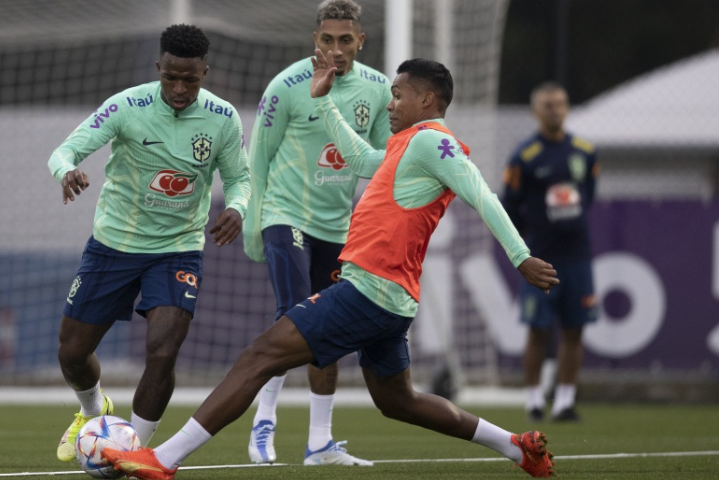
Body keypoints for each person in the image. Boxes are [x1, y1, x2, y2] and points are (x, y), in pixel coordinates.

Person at [102, 50, 559, 479]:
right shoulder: (406, 145)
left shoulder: (433, 142)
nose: (389, 104)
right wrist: (324, 103)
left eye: (398, 95)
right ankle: (517, 447)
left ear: (426, 100)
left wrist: (520, 257)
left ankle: (163, 460)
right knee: (398, 400)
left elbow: (482, 194)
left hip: (369, 291)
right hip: (389, 297)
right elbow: (358, 158)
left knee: (258, 356)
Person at [46, 24, 250, 462]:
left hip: (178, 249)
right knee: (72, 353)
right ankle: (92, 409)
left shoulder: (222, 118)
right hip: (114, 245)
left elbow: (239, 178)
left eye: (189, 80)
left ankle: (132, 451)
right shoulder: (126, 105)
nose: (179, 89)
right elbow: (64, 152)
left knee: (163, 351)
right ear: (159, 67)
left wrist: (237, 208)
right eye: (170, 77)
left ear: (204, 72)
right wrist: (67, 171)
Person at [242, 0, 390, 466]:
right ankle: (264, 420)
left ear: (361, 40)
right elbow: (258, 159)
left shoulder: (379, 89)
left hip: (338, 227)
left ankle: (320, 444)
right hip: (285, 214)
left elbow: (381, 163)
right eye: (327, 39)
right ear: (315, 40)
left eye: (345, 40)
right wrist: (253, 224)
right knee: (293, 314)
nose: (336, 49)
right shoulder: (286, 86)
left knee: (329, 328)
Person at [501, 81, 599, 423]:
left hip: (578, 256)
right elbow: (509, 205)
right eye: (548, 105)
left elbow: (589, 194)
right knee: (538, 330)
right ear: (535, 112)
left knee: (575, 329)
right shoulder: (524, 156)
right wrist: (524, 245)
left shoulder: (585, 151)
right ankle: (533, 401)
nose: (555, 110)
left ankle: (565, 402)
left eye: (560, 103)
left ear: (567, 108)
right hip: (541, 257)